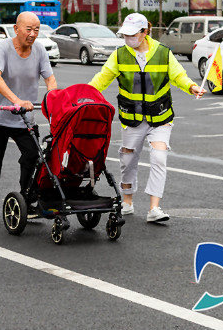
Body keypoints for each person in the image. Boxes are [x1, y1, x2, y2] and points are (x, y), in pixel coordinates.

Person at [88, 13, 205, 224]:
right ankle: (127, 201)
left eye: (132, 34)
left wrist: (192, 87)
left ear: (144, 32)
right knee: (128, 160)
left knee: (159, 158)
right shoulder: (119, 55)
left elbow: (178, 75)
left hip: (160, 116)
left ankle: (154, 208)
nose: (128, 39)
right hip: (131, 118)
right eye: (125, 35)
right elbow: (102, 78)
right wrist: (82, 94)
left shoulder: (163, 53)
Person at [0, 12, 57, 218]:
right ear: (16, 29)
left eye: (37, 30)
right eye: (28, 29)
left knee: (34, 156)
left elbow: (50, 79)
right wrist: (16, 101)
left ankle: (26, 199)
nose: (33, 34)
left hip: (24, 118)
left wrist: (53, 97)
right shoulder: (2, 48)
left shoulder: (39, 50)